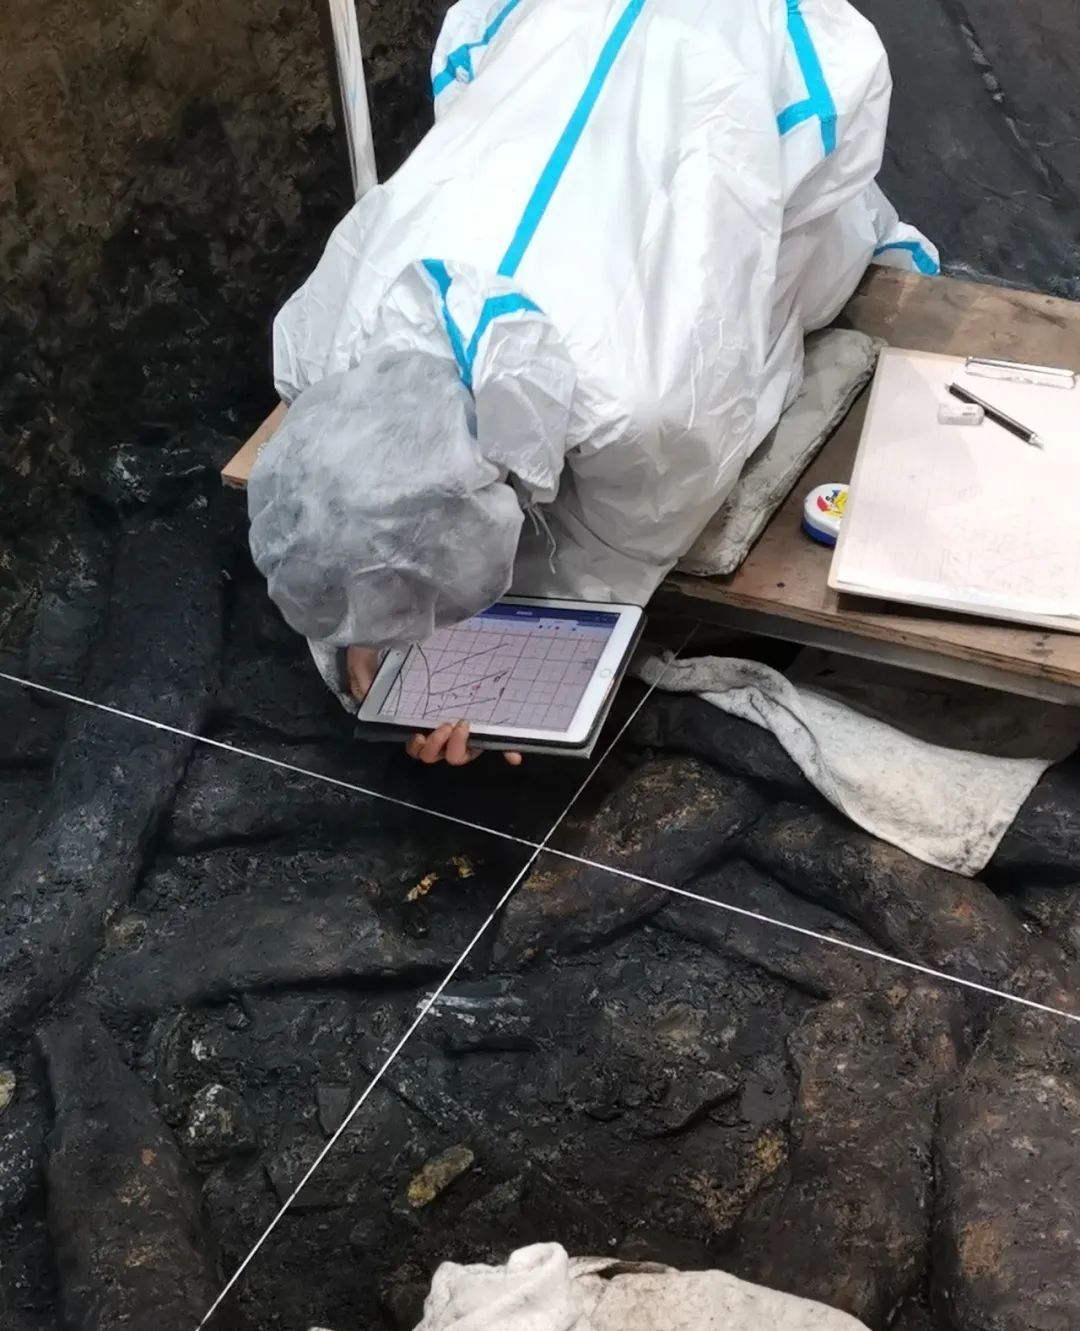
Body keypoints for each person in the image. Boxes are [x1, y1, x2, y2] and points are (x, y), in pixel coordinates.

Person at [248, 0, 936, 767]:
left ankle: (853, 226)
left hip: (751, 60)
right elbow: (336, 515)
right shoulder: (324, 335)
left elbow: (618, 552)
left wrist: (505, 673)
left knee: (776, 280)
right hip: (556, 35)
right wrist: (360, 634)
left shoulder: (645, 399)